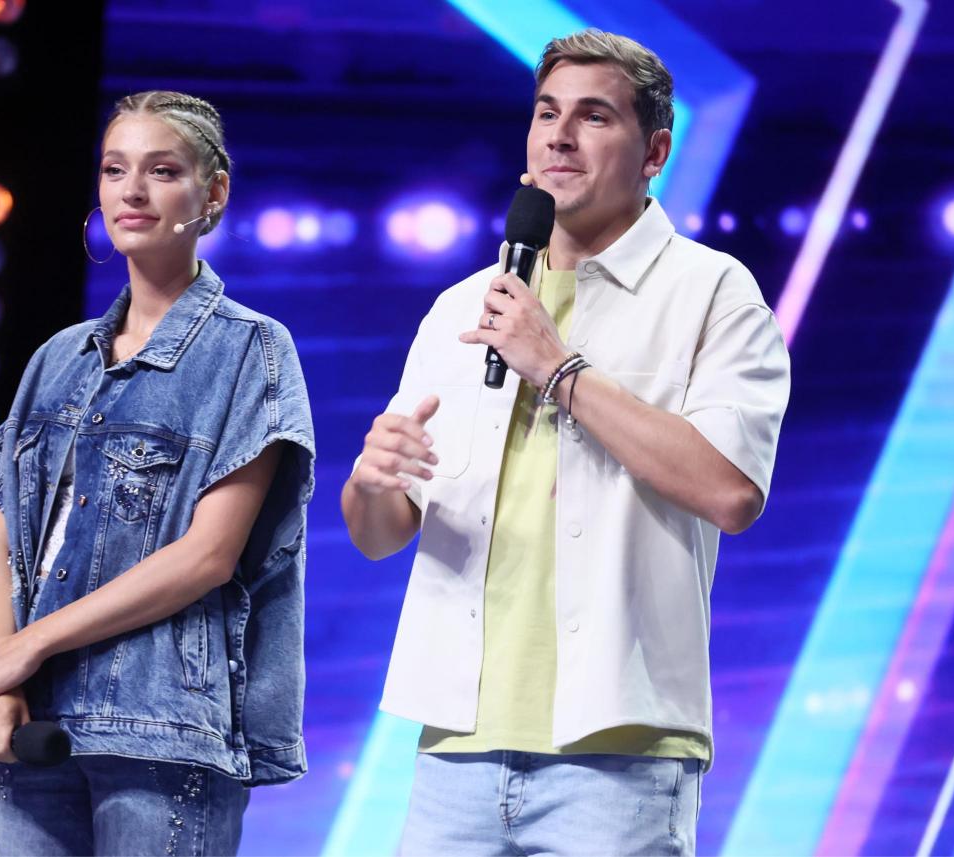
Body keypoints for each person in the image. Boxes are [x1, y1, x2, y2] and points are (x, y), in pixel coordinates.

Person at [341, 29, 790, 856]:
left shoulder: (711, 292)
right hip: (456, 749)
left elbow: (731, 490)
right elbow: (378, 534)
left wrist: (558, 368)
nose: (559, 136)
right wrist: (371, 482)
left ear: (655, 152)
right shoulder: (463, 306)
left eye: (593, 117)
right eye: (547, 113)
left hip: (619, 757)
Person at [0, 91, 315, 857]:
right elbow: (3, 543)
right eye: (115, 170)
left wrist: (29, 644)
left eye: (162, 171)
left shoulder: (252, 350)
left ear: (213, 193)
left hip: (161, 734)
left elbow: (208, 556)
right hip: (35, 728)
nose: (133, 191)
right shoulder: (57, 358)